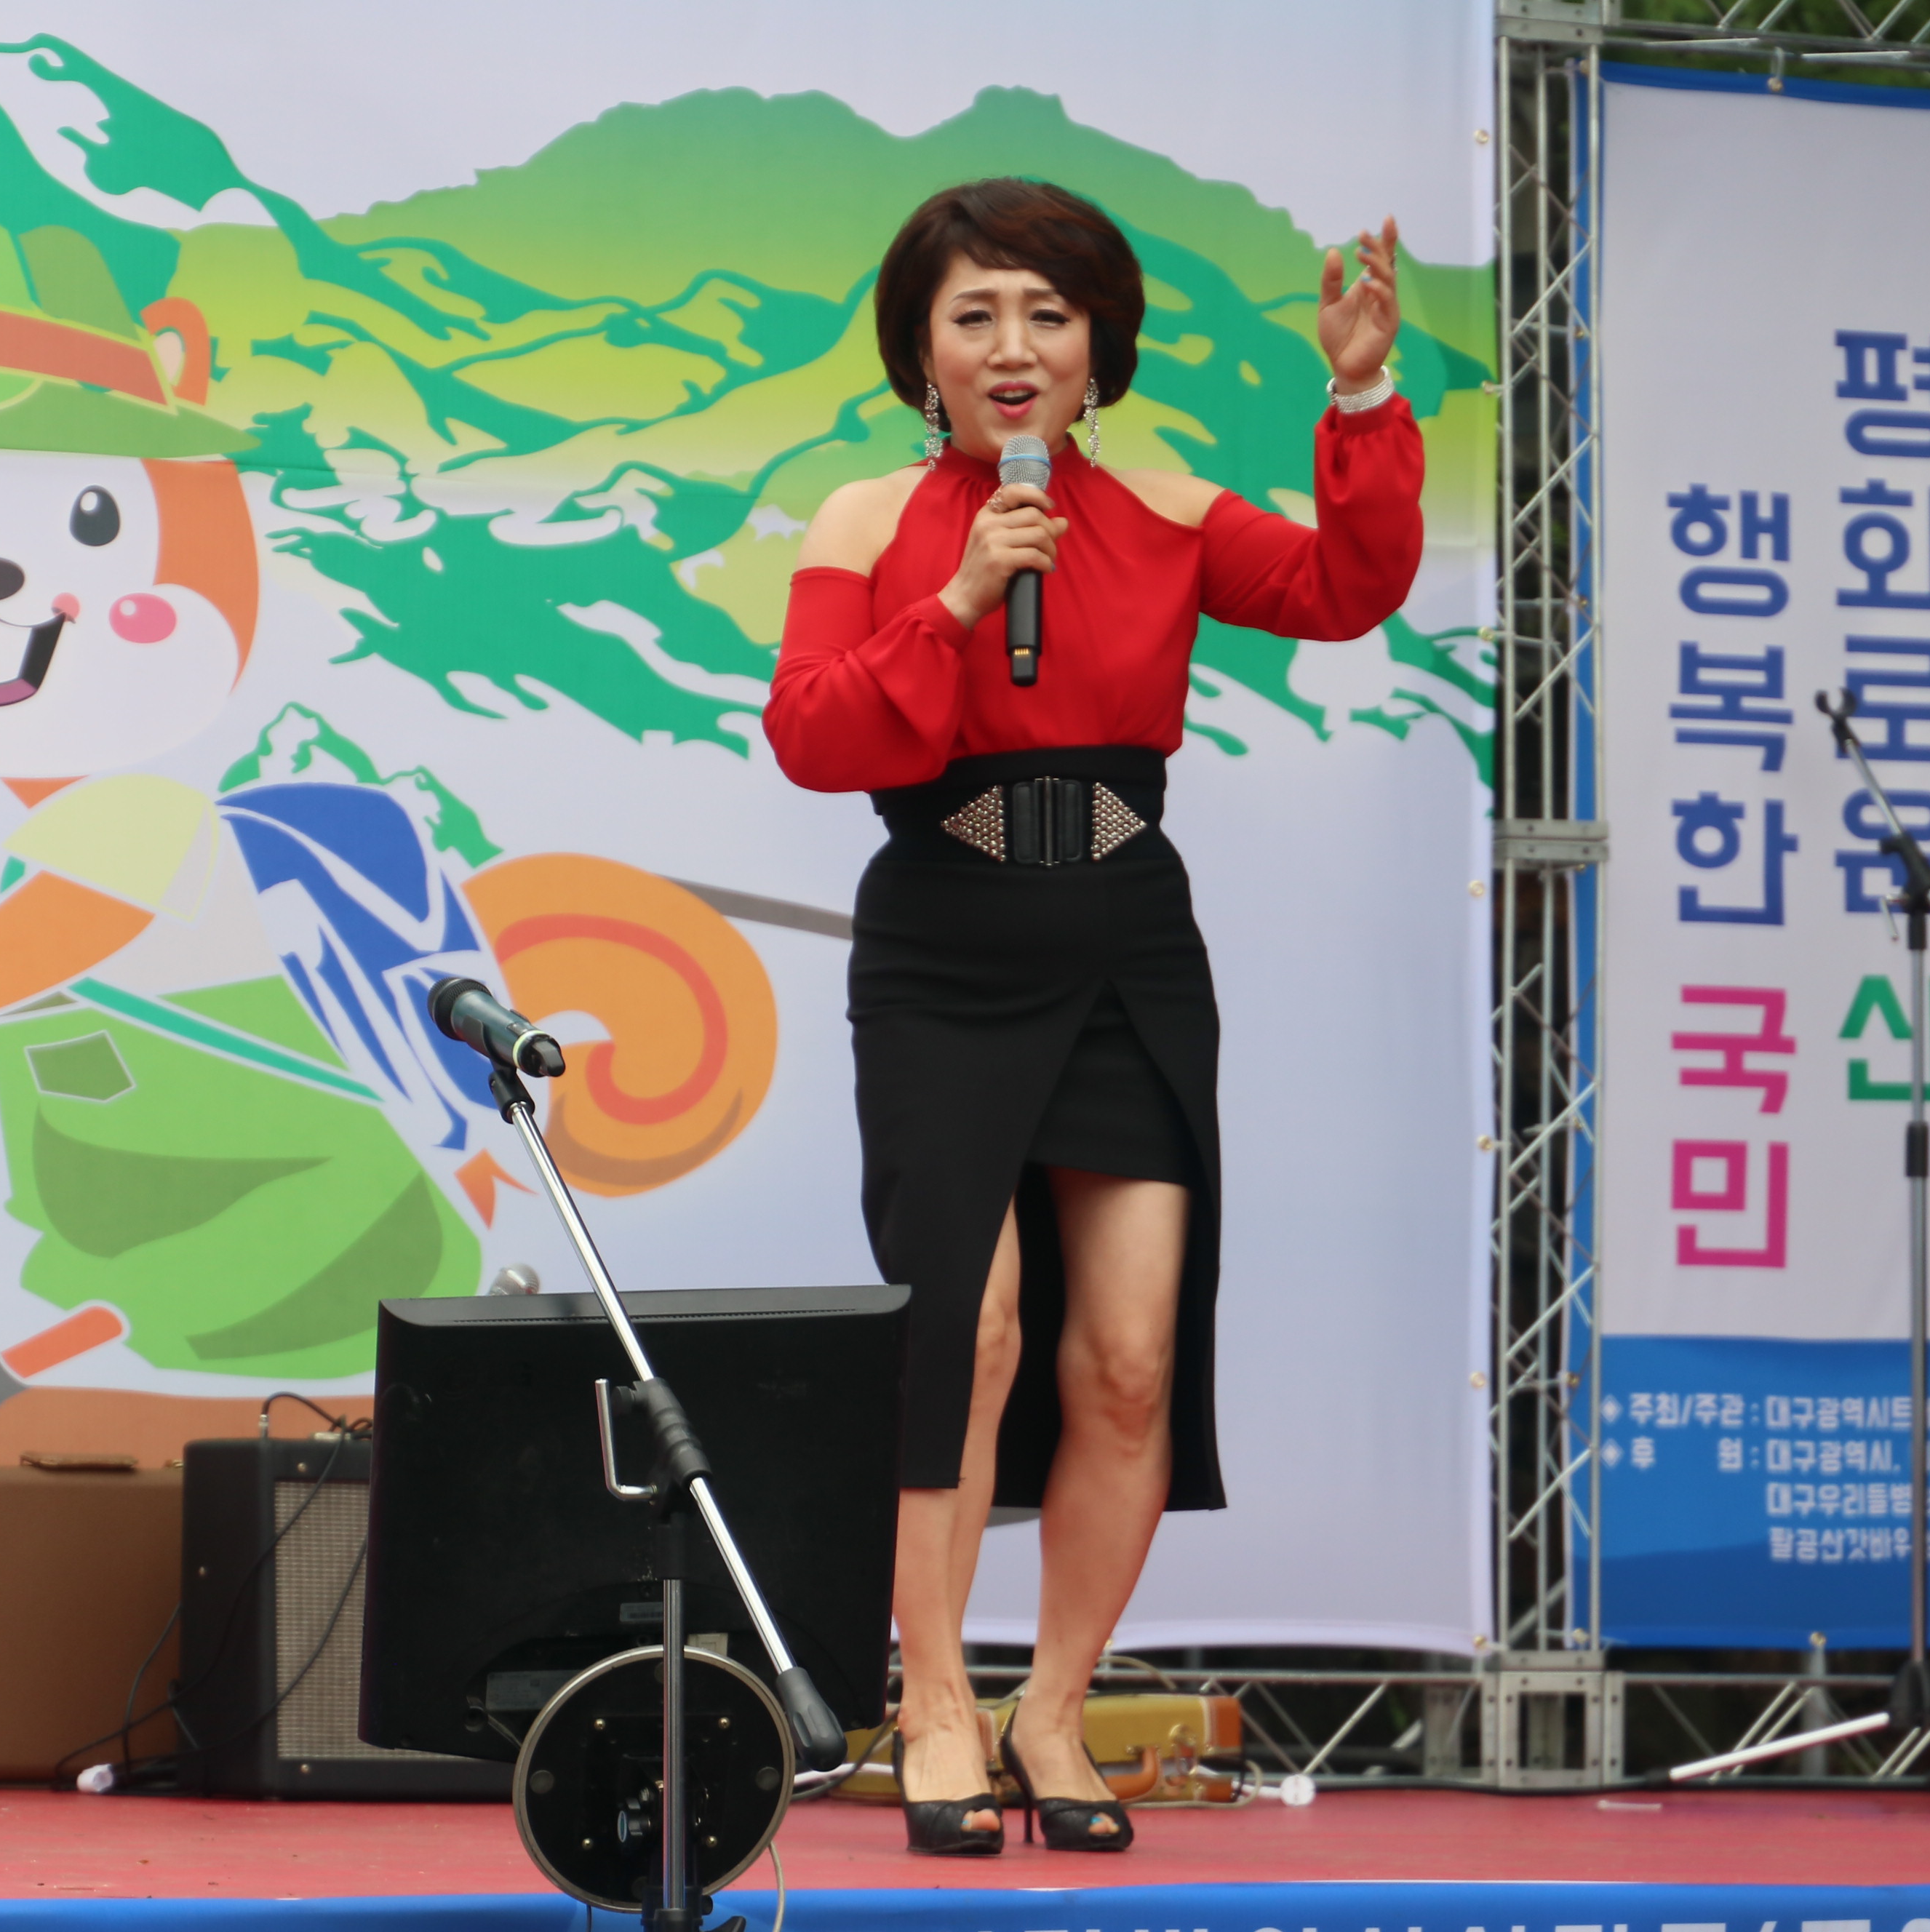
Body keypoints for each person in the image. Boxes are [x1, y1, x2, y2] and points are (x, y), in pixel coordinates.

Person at [763, 178, 1422, 1855]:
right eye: (975, 314)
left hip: (1129, 938)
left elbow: (1348, 585)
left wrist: (1358, 396)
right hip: (945, 942)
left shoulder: (1172, 508)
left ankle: (1051, 1708)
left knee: (1128, 1357)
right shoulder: (864, 519)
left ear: (1098, 344)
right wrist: (961, 595)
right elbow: (817, 732)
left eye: (1047, 315)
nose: (1014, 347)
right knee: (966, 1335)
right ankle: (931, 1701)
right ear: (922, 348)